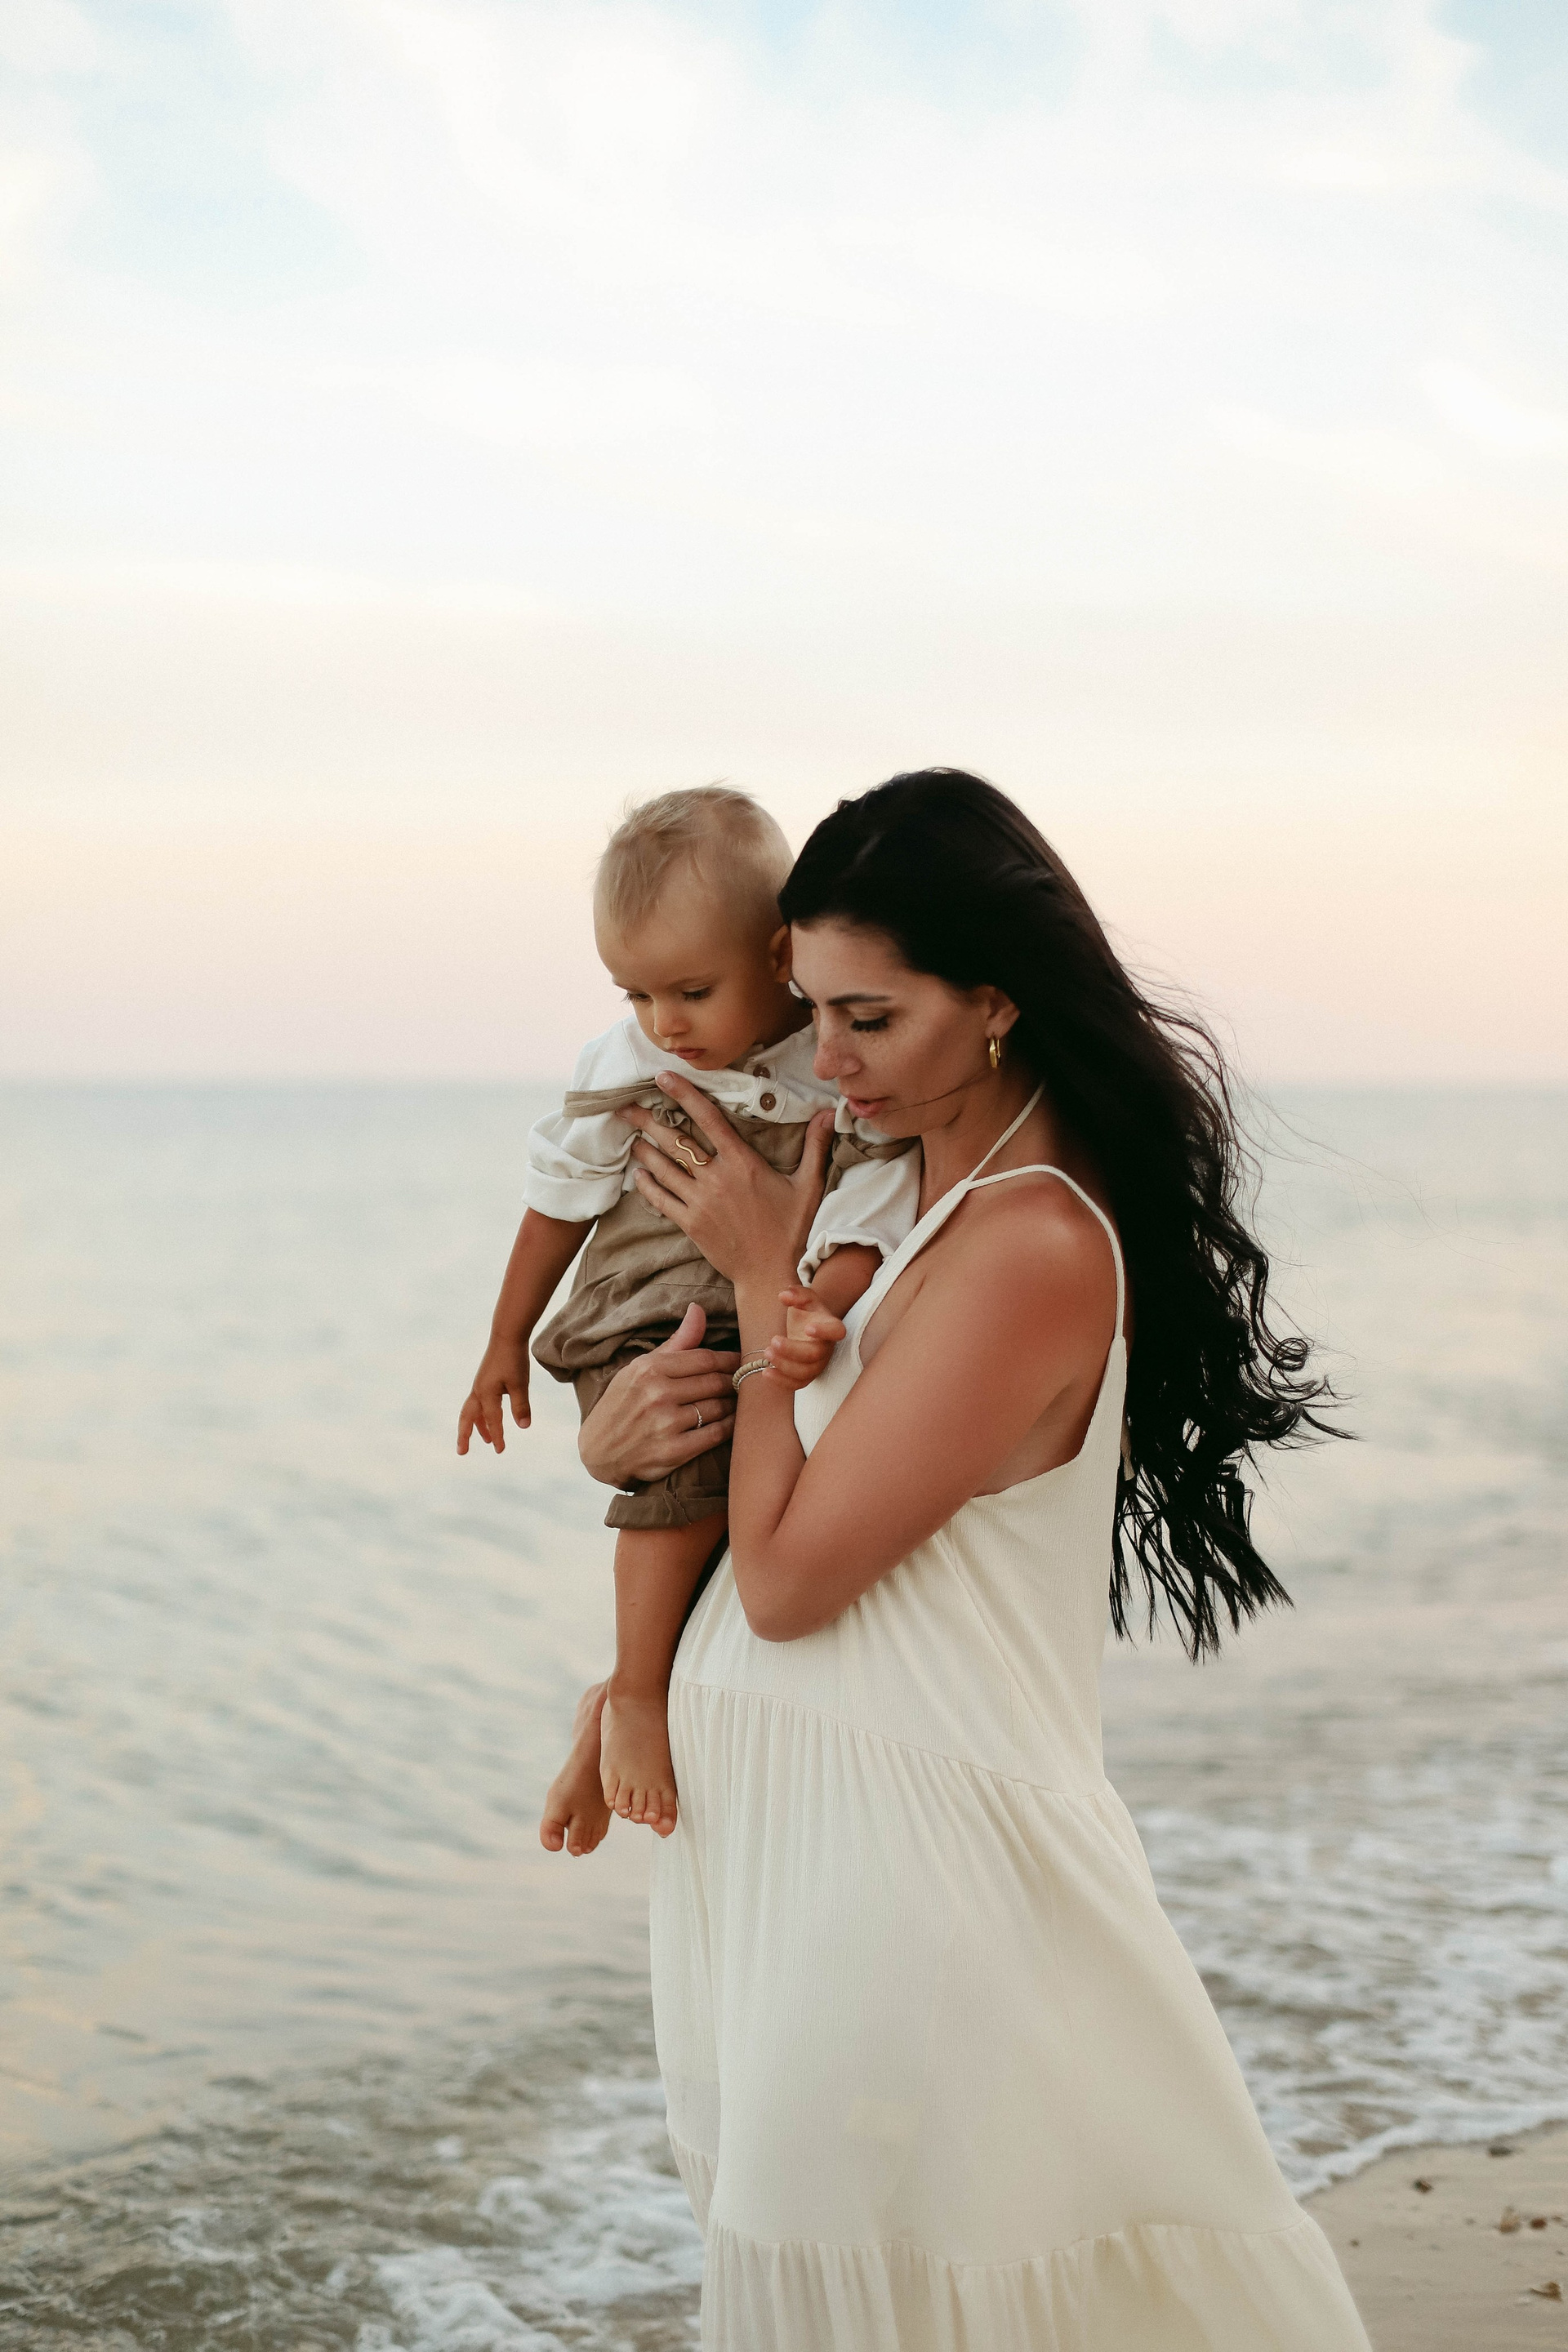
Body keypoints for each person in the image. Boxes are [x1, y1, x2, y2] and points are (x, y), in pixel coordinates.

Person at [609, 770, 1370, 2348]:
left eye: (871, 1019)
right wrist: (625, 1457)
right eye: (810, 1009)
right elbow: (756, 1486)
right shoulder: (890, 1191)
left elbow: (793, 1582)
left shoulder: (1030, 1244)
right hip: (800, 1852)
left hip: (906, 1873)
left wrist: (759, 1288)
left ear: (999, 1004)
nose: (824, 1060)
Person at [456, 786, 917, 1852]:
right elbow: (559, 1197)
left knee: (767, 1484)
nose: (665, 1023)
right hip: (645, 1313)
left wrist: (816, 1305)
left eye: (693, 992)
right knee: (692, 1468)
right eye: (637, 994)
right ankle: (635, 1696)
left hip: (766, 1304)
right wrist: (502, 1342)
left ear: (778, 956)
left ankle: (613, 1703)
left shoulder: (833, 1062)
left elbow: (870, 1200)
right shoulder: (630, 1064)